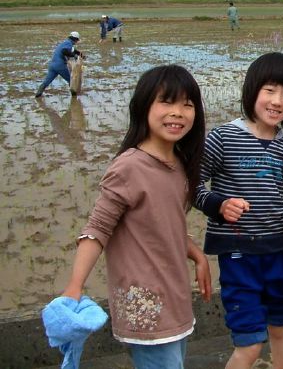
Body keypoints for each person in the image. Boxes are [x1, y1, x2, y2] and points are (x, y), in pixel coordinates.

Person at [58, 64, 212, 367]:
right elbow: (98, 229)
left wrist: (197, 255)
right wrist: (74, 287)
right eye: (166, 102)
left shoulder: (180, 164)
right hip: (146, 308)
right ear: (143, 107)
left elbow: (165, 226)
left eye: (187, 104)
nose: (178, 112)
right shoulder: (129, 167)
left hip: (176, 298)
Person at [194, 52, 283, 369]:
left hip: (280, 253)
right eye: (270, 90)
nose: (278, 101)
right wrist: (219, 205)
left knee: (280, 325)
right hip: (237, 257)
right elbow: (191, 186)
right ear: (252, 92)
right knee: (249, 342)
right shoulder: (223, 138)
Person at [35, 31, 84, 97]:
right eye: (77, 40)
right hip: (60, 65)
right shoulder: (69, 43)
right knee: (71, 80)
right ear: (75, 39)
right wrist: (74, 56)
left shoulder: (65, 42)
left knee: (47, 81)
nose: (76, 42)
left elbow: (73, 50)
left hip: (52, 65)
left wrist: (80, 55)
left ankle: (38, 94)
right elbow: (64, 51)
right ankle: (74, 97)